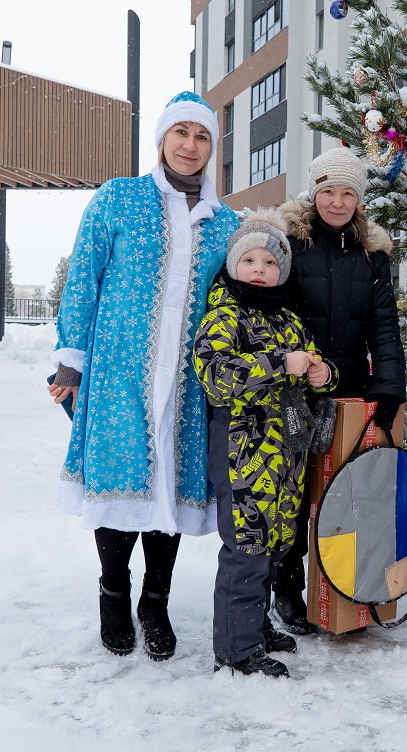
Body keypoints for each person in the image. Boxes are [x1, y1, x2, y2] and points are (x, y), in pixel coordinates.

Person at [47, 91, 239, 661]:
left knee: (170, 494)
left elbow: (237, 297)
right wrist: (70, 360)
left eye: (202, 137)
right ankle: (113, 594)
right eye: (181, 133)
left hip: (187, 382)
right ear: (161, 140)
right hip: (118, 371)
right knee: (122, 484)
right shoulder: (119, 199)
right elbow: (84, 277)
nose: (191, 146)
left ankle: (155, 601)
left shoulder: (224, 222)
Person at [193, 211, 337, 677]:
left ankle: (254, 625)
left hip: (286, 459)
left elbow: (313, 370)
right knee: (247, 549)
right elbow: (216, 377)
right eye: (249, 260)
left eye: (270, 263)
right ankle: (236, 650)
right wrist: (280, 363)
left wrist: (322, 373)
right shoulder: (223, 315)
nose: (260, 269)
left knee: (276, 544)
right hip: (243, 456)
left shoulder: (289, 318)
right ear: (234, 266)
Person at [271, 148, 407, 634]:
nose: (337, 201)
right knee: (290, 495)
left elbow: (384, 325)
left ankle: (349, 585)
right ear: (313, 192)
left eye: (348, 192)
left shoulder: (372, 254)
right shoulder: (289, 243)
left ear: (359, 199)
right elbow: (271, 311)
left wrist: (389, 386)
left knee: (344, 494)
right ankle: (286, 590)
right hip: (292, 390)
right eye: (328, 190)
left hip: (347, 393)